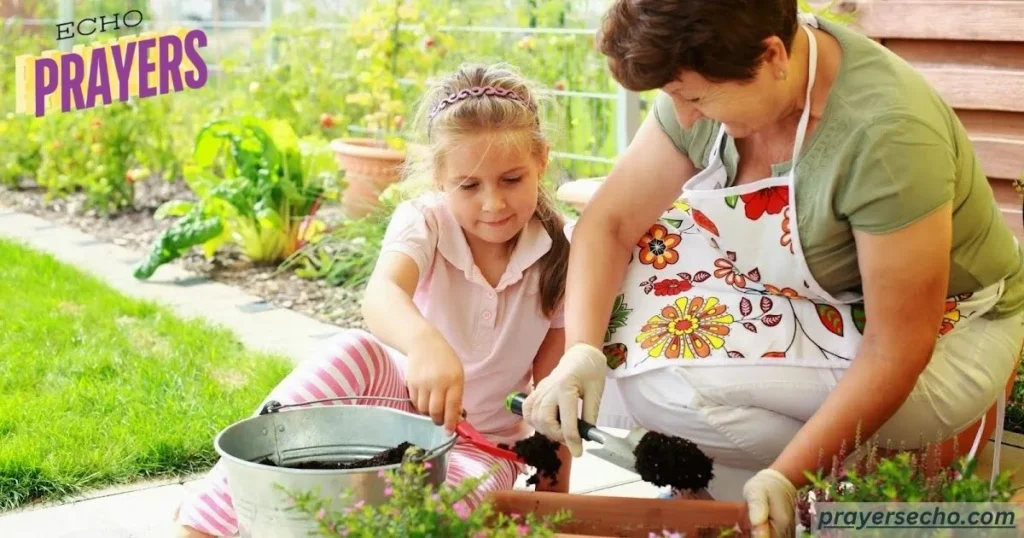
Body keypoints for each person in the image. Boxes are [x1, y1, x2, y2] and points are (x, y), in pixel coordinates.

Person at [522, 1, 1024, 536]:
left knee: (669, 383)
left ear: (772, 56)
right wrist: (581, 351)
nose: (683, 116)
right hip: (810, 295)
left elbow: (897, 346)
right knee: (610, 345)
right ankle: (783, 491)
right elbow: (611, 222)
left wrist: (787, 474)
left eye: (694, 97)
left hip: (949, 336)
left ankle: (820, 495)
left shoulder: (888, 135)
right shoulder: (712, 66)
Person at [176, 63, 573, 537]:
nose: (493, 203)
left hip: (478, 446)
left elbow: (553, 401)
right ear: (440, 180)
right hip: (389, 409)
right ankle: (204, 525)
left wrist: (555, 511)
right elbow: (382, 293)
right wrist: (425, 343)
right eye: (469, 185)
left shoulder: (561, 252)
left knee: (439, 516)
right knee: (352, 350)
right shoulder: (425, 221)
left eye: (512, 180)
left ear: (542, 161)